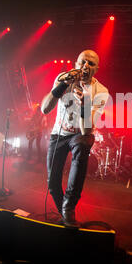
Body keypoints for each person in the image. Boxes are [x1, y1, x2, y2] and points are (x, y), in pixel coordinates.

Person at [41, 50, 109, 227]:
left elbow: (86, 130)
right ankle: (64, 212)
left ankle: (69, 207)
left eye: (91, 64)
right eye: (82, 62)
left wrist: (86, 103)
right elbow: (45, 109)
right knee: (52, 182)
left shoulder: (101, 91)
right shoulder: (63, 77)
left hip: (81, 133)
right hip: (59, 133)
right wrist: (62, 86)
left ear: (97, 69)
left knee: (83, 144)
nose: (85, 66)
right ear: (76, 63)